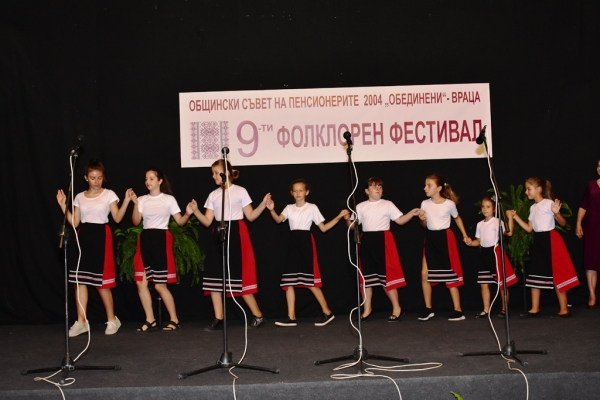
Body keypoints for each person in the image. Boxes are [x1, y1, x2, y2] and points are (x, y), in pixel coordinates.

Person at [188, 159, 270, 331]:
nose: (213, 176)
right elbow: (207, 221)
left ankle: (258, 315)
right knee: (214, 275)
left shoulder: (240, 191)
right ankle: (218, 317)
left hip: (236, 233)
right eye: (212, 173)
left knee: (239, 276)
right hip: (219, 234)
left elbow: (250, 216)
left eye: (216, 173)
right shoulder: (213, 195)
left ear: (226, 172)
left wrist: (263, 204)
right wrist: (196, 211)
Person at [56, 158, 131, 336]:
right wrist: (63, 205)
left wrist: (127, 201)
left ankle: (112, 319)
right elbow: (75, 222)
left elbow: (117, 218)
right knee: (80, 281)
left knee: (101, 282)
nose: (96, 181)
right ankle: (82, 321)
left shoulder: (109, 194)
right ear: (85, 178)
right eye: (92, 178)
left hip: (101, 236)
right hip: (84, 237)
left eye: (99, 177)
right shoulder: (79, 197)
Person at [266, 179, 348, 327]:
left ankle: (327, 312)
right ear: (292, 193)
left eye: (301, 190)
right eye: (295, 191)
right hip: (293, 244)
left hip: (306, 244)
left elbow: (323, 228)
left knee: (310, 281)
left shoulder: (312, 208)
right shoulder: (289, 208)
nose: (298, 193)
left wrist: (339, 216)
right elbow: (278, 220)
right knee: (288, 281)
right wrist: (272, 210)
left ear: (306, 192)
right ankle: (291, 317)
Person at [344, 177, 421, 322]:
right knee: (366, 277)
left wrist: (411, 213)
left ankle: (397, 309)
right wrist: (347, 219)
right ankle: (367, 310)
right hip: (367, 241)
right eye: (374, 186)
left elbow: (400, 220)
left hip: (383, 240)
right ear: (367, 191)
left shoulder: (387, 204)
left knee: (386, 277)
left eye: (380, 186)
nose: (378, 188)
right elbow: (353, 226)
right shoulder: (360, 206)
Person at [130, 167, 192, 332]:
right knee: (140, 282)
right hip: (146, 238)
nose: (148, 182)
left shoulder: (168, 199)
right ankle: (150, 319)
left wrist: (188, 213)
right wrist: (135, 204)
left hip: (161, 239)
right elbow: (136, 221)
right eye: (146, 179)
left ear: (160, 181)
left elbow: (180, 221)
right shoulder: (142, 199)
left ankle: (174, 319)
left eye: (151, 178)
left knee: (159, 285)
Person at [511, 177, 579, 318]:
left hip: (551, 239)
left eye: (529, 189)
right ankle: (534, 309)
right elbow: (529, 228)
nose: (526, 192)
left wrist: (556, 213)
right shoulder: (533, 207)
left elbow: (563, 223)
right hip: (538, 240)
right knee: (535, 272)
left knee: (557, 273)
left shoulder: (548, 203)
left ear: (539, 189)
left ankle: (564, 310)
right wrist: (515, 217)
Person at [418, 174, 469, 321]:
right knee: (424, 274)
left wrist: (465, 235)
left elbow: (457, 218)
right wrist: (422, 219)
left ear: (439, 188)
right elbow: (424, 225)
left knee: (450, 274)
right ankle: (428, 308)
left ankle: (458, 310)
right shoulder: (424, 203)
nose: (425, 188)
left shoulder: (449, 204)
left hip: (445, 239)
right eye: (425, 185)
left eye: (429, 185)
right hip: (431, 238)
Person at [465, 197, 518, 318]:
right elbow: (478, 241)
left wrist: (510, 218)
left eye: (488, 207)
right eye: (483, 206)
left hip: (495, 252)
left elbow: (509, 233)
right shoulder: (479, 224)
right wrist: (470, 243)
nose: (485, 209)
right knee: (484, 283)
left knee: (502, 284)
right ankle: (486, 310)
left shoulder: (497, 222)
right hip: (484, 254)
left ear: (494, 209)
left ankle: (504, 309)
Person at [575, 159, 600, 308]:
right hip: (591, 227)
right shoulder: (591, 185)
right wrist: (578, 223)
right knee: (591, 261)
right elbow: (584, 205)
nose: (599, 168)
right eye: (598, 166)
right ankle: (592, 294)